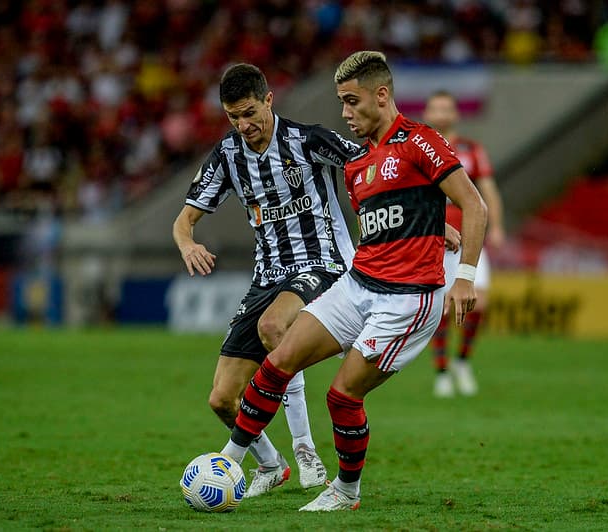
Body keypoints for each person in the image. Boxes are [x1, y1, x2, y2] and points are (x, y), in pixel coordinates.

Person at [220, 51, 487, 511]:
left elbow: (475, 206)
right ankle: (228, 462)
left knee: (341, 396)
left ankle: (345, 491)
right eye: (341, 102)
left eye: (351, 101)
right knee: (279, 359)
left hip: (408, 299)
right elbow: (388, 220)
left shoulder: (420, 141)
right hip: (359, 283)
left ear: (381, 96)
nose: (344, 113)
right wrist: (432, 224)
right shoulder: (356, 166)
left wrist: (464, 276)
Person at [172, 63, 362, 497]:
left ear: (269, 99)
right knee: (221, 399)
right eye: (233, 116)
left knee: (274, 327)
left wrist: (424, 220)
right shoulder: (227, 155)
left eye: (250, 112)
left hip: (321, 262)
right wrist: (187, 245)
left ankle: (305, 447)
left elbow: (372, 165)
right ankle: (271, 465)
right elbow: (184, 221)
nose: (244, 124)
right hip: (268, 275)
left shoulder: (308, 139)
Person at [422, 90, 506, 398]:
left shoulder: (471, 150)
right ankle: (442, 371)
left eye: (447, 107)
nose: (442, 113)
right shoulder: (418, 149)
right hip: (435, 241)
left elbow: (488, 191)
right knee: (442, 307)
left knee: (479, 302)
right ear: (428, 114)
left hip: (470, 238)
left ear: (455, 114)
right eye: (436, 107)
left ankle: (462, 361)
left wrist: (496, 226)